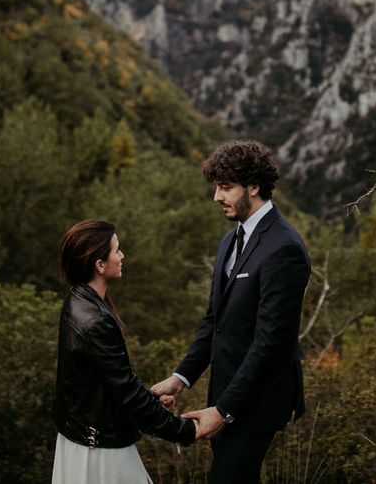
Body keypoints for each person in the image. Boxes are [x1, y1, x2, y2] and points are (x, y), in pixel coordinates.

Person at [151, 140, 311, 483]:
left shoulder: (284, 248)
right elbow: (215, 321)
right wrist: (180, 378)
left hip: (257, 400)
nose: (216, 198)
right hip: (226, 393)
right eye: (216, 188)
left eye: (225, 188)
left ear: (254, 186)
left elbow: (271, 343)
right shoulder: (229, 241)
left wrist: (224, 411)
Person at [52, 219, 201, 483]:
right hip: (101, 453)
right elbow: (127, 393)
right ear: (99, 264)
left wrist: (151, 399)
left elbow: (107, 383)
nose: (122, 256)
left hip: (83, 440)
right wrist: (186, 431)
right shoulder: (95, 321)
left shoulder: (76, 301)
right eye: (116, 250)